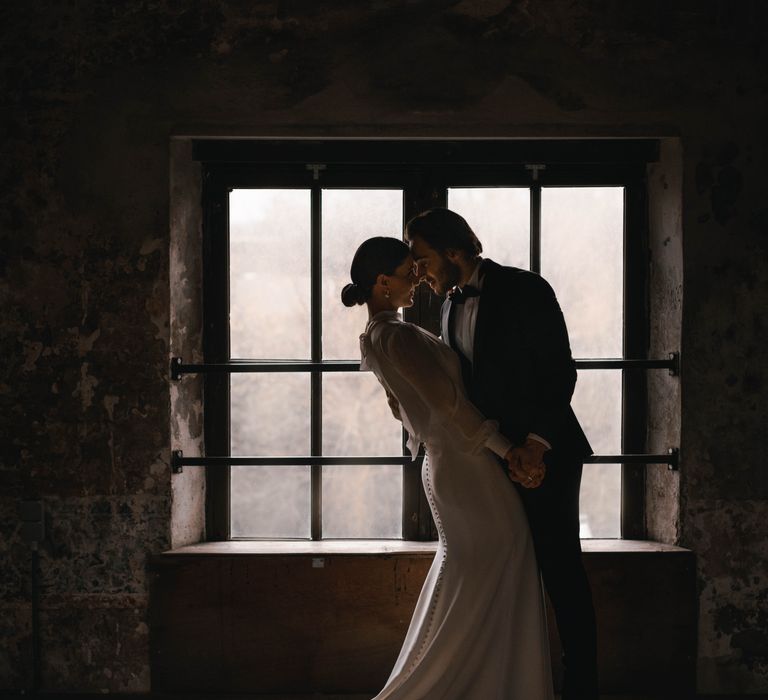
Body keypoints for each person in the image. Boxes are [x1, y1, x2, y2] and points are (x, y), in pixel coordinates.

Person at [341, 237, 553, 700]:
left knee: (482, 565)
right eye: (406, 271)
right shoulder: (394, 336)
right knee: (499, 557)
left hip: (452, 460)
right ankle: (454, 683)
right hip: (465, 463)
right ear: (382, 282)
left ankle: (485, 681)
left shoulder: (377, 336)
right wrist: (506, 450)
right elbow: (450, 406)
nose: (416, 277)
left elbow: (403, 410)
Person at [405, 208, 598, 700]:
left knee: (560, 570)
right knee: (504, 570)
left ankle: (580, 690)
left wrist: (534, 445)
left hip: (546, 452)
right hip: (491, 460)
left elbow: (560, 373)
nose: (419, 271)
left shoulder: (526, 288)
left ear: (453, 251)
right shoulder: (447, 306)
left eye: (423, 258)